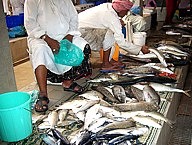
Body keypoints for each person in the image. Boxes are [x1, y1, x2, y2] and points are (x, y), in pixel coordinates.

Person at [24, 0, 92, 113]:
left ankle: (68, 82)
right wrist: (47, 39)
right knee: (41, 51)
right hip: (41, 37)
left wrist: (69, 35)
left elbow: (73, 18)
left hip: (65, 35)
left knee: (82, 46)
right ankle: (43, 94)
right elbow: (30, 23)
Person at [78, 0, 149, 72]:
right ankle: (105, 64)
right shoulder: (111, 16)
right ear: (121, 10)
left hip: (83, 29)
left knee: (111, 33)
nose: (127, 13)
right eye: (126, 11)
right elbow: (121, 42)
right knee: (109, 34)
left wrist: (117, 21)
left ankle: (110, 60)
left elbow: (106, 19)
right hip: (81, 33)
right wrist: (140, 49)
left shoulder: (110, 7)